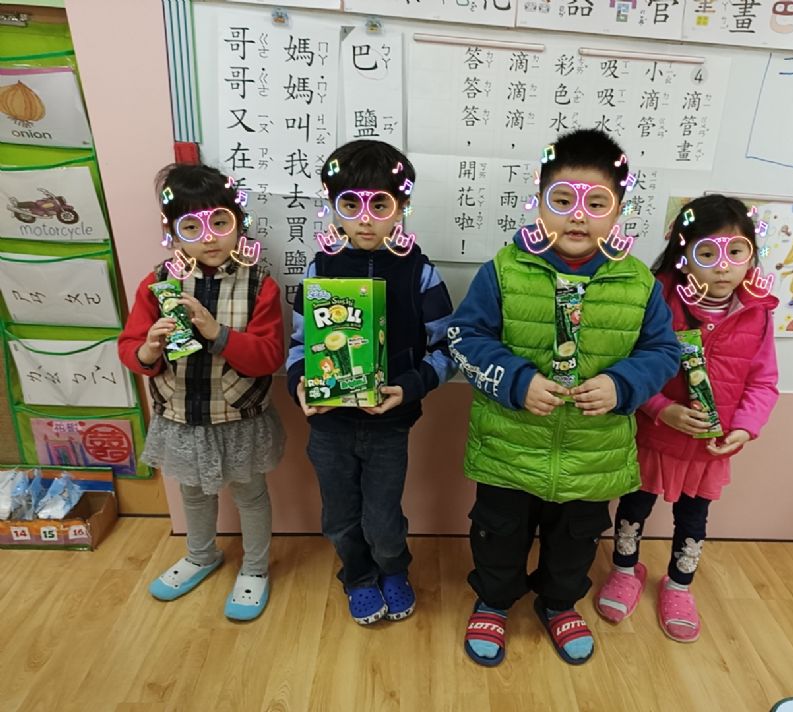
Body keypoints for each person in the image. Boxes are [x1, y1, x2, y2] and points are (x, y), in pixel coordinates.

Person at [449, 128, 681, 666]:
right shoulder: (504, 270)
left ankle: (558, 603)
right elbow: (465, 337)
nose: (578, 217)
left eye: (595, 203)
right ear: (539, 202)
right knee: (498, 534)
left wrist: (623, 384)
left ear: (618, 210)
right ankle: (494, 600)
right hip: (508, 448)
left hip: (592, 455)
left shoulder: (638, 283)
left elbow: (664, 352)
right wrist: (516, 381)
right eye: (562, 201)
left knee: (576, 541)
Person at [595, 194, 779, 643]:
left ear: (751, 255)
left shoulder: (757, 313)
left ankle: (679, 586)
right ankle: (624, 570)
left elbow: (764, 381)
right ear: (682, 253)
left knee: (694, 520)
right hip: (653, 437)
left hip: (708, 448)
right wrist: (661, 409)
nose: (723, 267)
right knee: (633, 509)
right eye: (707, 253)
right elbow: (630, 366)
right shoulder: (657, 298)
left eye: (736, 252)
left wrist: (744, 428)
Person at [286, 140, 456, 625]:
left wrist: (411, 386)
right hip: (328, 425)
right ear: (332, 206)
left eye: (379, 205)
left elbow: (449, 349)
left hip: (388, 424)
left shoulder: (420, 273)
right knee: (339, 517)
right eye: (350, 205)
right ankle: (358, 577)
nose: (365, 220)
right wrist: (300, 385)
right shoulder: (320, 268)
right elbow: (299, 345)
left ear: (401, 206)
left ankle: (393, 569)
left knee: (383, 517)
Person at [118, 163, 285, 621]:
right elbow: (130, 348)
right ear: (172, 232)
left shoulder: (259, 284)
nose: (209, 238)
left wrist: (218, 334)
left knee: (250, 494)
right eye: (192, 227)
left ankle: (255, 567)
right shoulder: (157, 283)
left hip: (238, 415)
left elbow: (269, 356)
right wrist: (149, 349)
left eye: (220, 222)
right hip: (180, 415)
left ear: (239, 223)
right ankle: (200, 555)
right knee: (192, 493)